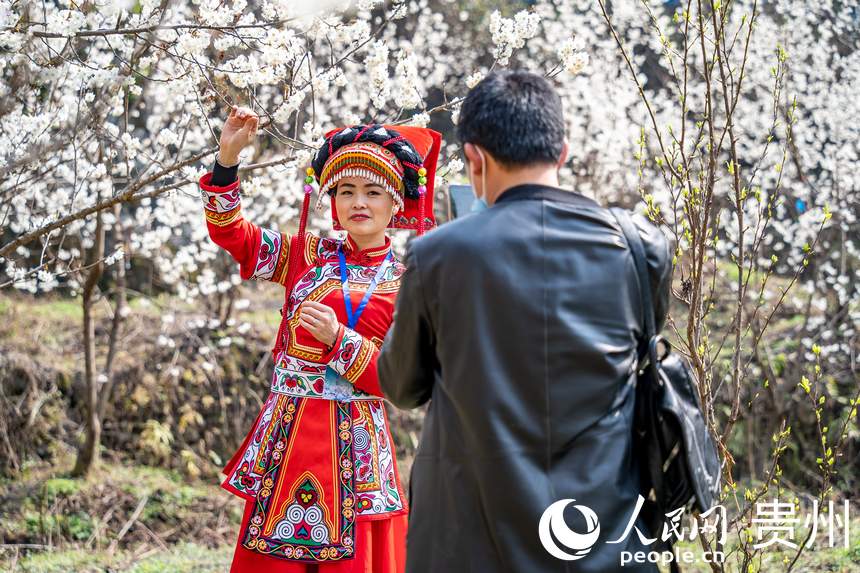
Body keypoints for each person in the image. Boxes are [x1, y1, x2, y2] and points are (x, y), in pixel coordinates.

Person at [377, 70, 672, 572]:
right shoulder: (639, 247)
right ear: (562, 151)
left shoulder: (439, 255)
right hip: (603, 536)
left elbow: (402, 387)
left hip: (471, 543)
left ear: (474, 157)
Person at [198, 105, 442, 572]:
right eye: (346, 191)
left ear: (396, 204)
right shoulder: (307, 256)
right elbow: (234, 236)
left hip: (356, 447)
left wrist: (338, 341)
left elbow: (404, 381)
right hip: (288, 436)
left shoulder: (412, 282)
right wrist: (227, 159)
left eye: (373, 192)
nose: (358, 203)